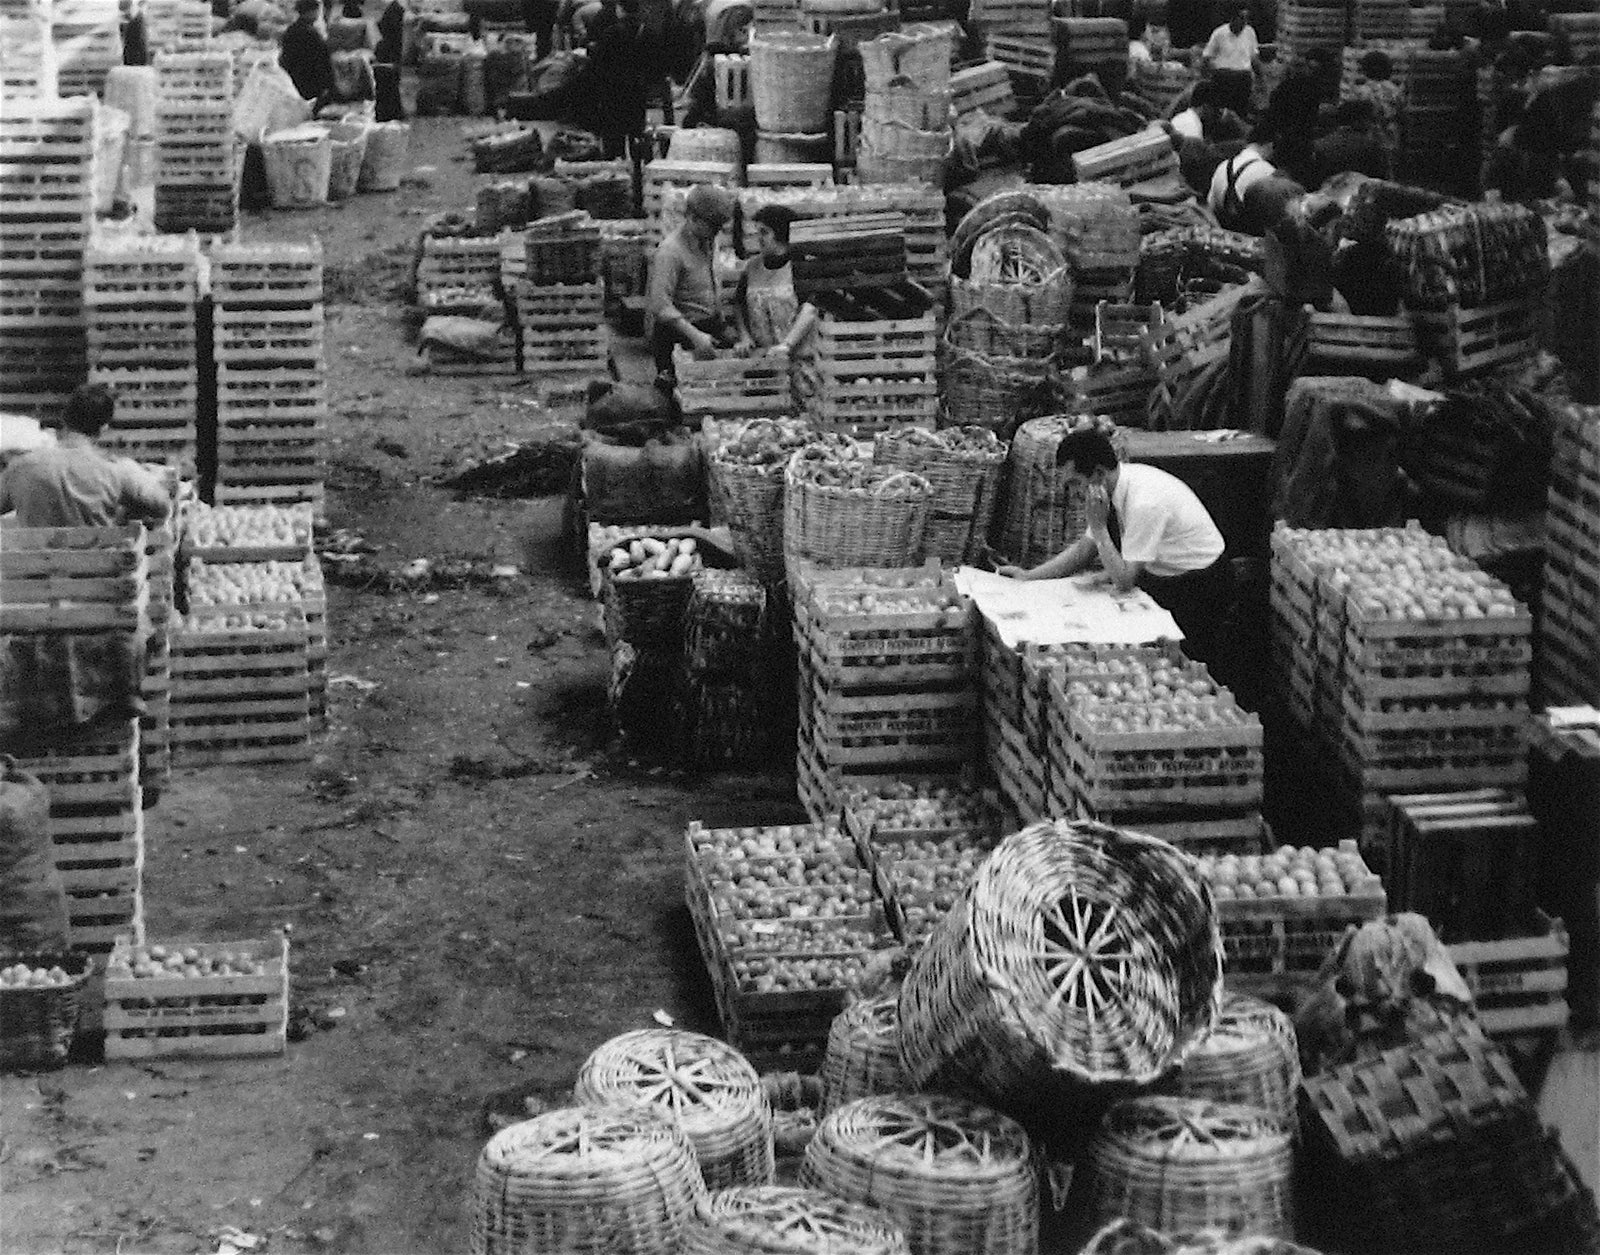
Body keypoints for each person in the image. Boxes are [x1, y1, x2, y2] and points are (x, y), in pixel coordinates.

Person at [996, 428, 1228, 662]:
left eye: (1076, 483)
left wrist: (1098, 528)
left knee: (1181, 657)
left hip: (1197, 580)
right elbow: (1084, 551)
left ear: (1097, 474)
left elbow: (1125, 580)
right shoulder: (1109, 490)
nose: (1074, 493)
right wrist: (1029, 577)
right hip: (1159, 569)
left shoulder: (1144, 502)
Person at [0, 383, 170, 529]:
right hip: (97, 564)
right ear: (103, 427)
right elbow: (162, 505)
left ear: (64, 419)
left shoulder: (21, 467)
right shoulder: (116, 469)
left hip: (32, 564)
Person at [646, 183, 738, 386]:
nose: (716, 232)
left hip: (708, 325)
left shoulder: (709, 241)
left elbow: (711, 284)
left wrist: (720, 323)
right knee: (679, 397)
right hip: (677, 333)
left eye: (718, 227)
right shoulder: (670, 252)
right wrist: (695, 336)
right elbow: (660, 306)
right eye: (712, 226)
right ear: (692, 218)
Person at [732, 206, 818, 358]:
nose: (759, 238)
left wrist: (786, 345)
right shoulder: (751, 268)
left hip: (798, 357)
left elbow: (809, 310)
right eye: (757, 232)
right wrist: (744, 337)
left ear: (780, 234)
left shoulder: (800, 267)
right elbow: (739, 305)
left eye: (764, 232)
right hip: (762, 360)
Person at [585, 0, 648, 159]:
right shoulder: (647, 32)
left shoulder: (611, 33)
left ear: (620, 9)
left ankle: (616, 172)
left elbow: (598, 62)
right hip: (637, 89)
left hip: (613, 91)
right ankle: (639, 170)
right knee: (637, 133)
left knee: (613, 136)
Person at [1208, 140, 1304, 234]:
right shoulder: (1267, 172)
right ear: (1270, 145)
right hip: (1254, 232)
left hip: (1224, 229)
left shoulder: (1223, 165)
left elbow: (1211, 203)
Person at [1200, 5, 1260, 120]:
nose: (1244, 23)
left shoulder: (1250, 32)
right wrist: (1207, 76)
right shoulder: (1219, 33)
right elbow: (1207, 57)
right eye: (1241, 19)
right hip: (1223, 75)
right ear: (1233, 18)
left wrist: (1260, 78)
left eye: (1246, 19)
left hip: (1243, 76)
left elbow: (1254, 58)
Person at [1312, 98, 1391, 184]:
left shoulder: (1318, 145)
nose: (1376, 126)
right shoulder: (1372, 148)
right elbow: (1383, 183)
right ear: (1359, 121)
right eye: (1373, 120)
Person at [280, 0, 336, 105]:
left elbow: (285, 58)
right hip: (312, 82)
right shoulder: (312, 34)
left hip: (294, 80)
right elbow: (323, 60)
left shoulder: (290, 30)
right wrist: (328, 85)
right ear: (313, 12)